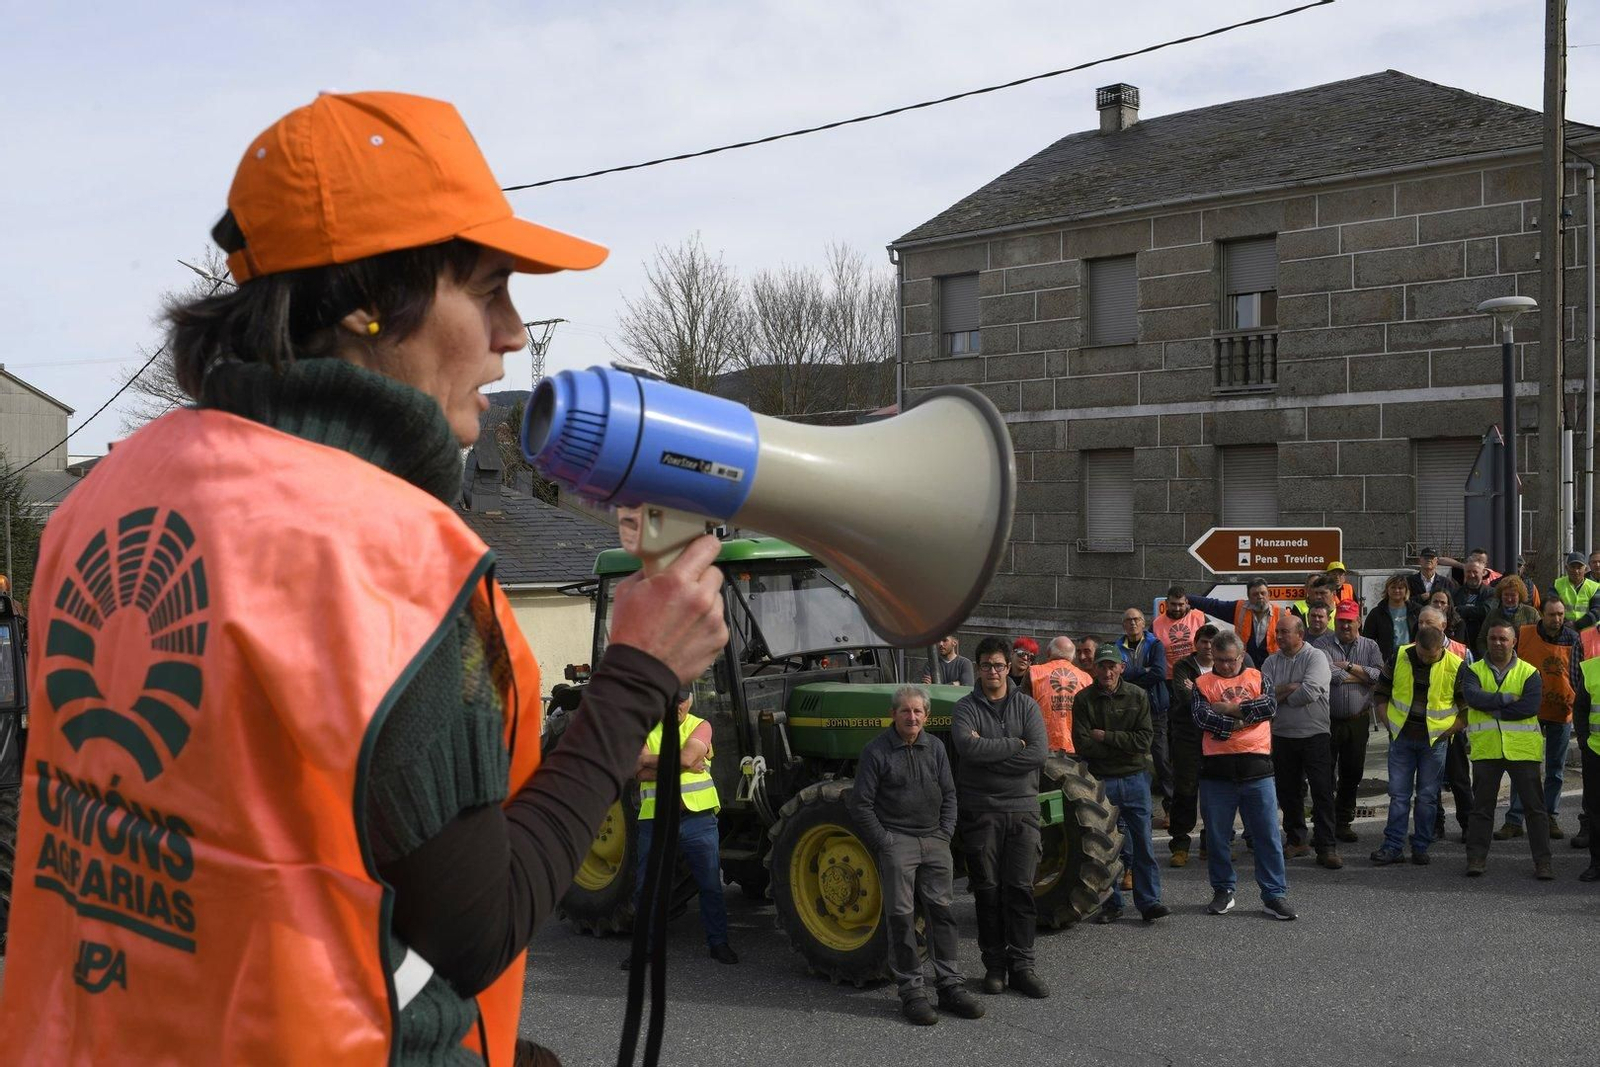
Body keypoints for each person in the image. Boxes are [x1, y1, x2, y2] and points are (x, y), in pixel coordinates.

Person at [0, 91, 731, 1065]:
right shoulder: (387, 559)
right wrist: (639, 670)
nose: (514, 332)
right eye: (487, 288)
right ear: (361, 298)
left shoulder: (103, 499)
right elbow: (474, 929)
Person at [852, 686, 982, 1026]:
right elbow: (861, 804)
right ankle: (911, 990)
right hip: (899, 842)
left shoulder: (935, 747)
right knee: (902, 916)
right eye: (905, 711)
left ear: (926, 716)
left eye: (918, 712)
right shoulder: (876, 751)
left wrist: (945, 833)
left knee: (942, 912)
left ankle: (950, 984)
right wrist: (885, 842)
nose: (912, 717)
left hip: (935, 840)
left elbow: (950, 793)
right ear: (893, 714)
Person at [952, 637, 1049, 999]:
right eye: (986, 665)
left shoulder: (1027, 707)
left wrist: (992, 754)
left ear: (1009, 667)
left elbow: (1038, 754)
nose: (992, 671)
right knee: (988, 892)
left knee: (1021, 890)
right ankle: (994, 966)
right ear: (977, 667)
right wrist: (1014, 745)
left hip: (1022, 809)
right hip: (981, 811)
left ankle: (1022, 966)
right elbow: (967, 748)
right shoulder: (965, 708)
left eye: (999, 665)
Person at [627, 689, 737, 967]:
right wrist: (682, 762)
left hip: (697, 818)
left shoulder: (701, 725)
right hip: (656, 820)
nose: (677, 705)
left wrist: (652, 762)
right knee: (645, 888)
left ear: (690, 699)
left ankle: (718, 943)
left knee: (710, 884)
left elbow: (677, 761)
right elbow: (639, 770)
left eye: (682, 699)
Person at [1190, 632, 1295, 920]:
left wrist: (1230, 711)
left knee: (1268, 836)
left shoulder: (1258, 677)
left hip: (1257, 770)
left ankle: (1274, 895)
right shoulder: (1202, 684)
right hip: (1216, 773)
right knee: (1217, 837)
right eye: (1219, 661)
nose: (1225, 666)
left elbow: (1269, 707)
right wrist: (1244, 721)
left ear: (1241, 655)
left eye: (1230, 660)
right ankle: (1223, 890)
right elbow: (1202, 718)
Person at [1075, 646, 1168, 924]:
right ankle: (1111, 903)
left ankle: (1149, 902)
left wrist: (1106, 737)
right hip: (1101, 782)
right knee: (1104, 849)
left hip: (1136, 779)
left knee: (1143, 846)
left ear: (1122, 668)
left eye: (1112, 666)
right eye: (1102, 666)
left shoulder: (1138, 696)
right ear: (1095, 669)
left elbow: (1143, 742)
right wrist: (1121, 744)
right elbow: (1083, 744)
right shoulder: (1083, 699)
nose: (1107, 671)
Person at [1460, 620, 1551, 878]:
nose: (1497, 643)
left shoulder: (1529, 672)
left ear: (1514, 642)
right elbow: (1472, 698)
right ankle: (1476, 859)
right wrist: (1507, 699)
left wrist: (1492, 708)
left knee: (1535, 810)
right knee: (1481, 809)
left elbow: (1530, 707)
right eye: (1493, 638)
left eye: (1503, 639)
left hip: (1523, 751)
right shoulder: (1474, 670)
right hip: (1487, 750)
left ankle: (1543, 862)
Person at [1369, 625, 1465, 865]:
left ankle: (1421, 846)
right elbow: (1381, 693)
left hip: (1434, 742)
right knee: (1399, 796)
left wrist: (1448, 732)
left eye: (1431, 657)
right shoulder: (1400, 655)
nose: (1426, 660)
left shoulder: (1455, 665)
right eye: (1422, 655)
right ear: (1416, 645)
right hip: (1402, 738)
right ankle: (1393, 847)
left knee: (1427, 796)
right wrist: (1389, 724)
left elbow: (1467, 710)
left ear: (1441, 648)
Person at [1498, 597, 1584, 841]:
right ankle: (1514, 819)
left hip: (1561, 712)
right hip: (1528, 712)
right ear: (1541, 615)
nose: (1556, 619)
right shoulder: (1524, 635)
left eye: (1560, 614)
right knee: (1522, 767)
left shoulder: (1573, 638)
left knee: (1555, 770)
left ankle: (1549, 816)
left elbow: (1579, 676)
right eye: (1551, 614)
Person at [1260, 616, 1339, 869]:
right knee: (1288, 791)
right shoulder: (1271, 661)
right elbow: (1264, 695)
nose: (1279, 636)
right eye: (1277, 632)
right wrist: (1291, 687)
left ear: (1299, 635)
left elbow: (1311, 690)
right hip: (1282, 735)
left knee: (1322, 791)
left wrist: (1284, 694)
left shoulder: (1316, 657)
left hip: (1314, 734)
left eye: (1284, 632)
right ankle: (1296, 840)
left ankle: (1326, 846)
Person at [1316, 601, 1383, 843]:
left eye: (1349, 621)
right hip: (1328, 720)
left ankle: (1343, 821)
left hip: (1358, 720)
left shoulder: (1371, 645)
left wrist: (1349, 666)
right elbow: (1326, 675)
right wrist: (1361, 677)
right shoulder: (1322, 644)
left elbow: (1379, 675)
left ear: (1359, 622)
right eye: (1341, 620)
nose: (1345, 625)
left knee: (1352, 772)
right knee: (1323, 773)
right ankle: (1323, 823)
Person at [1418, 605, 1473, 844]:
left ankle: (1468, 826)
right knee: (1429, 783)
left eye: (1428, 624)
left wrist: (1461, 725)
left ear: (1442, 626)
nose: (1422, 627)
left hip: (1452, 730)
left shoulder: (1462, 651)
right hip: (1423, 730)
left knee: (1459, 779)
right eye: (1420, 623)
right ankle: (1434, 825)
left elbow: (1470, 691)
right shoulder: (1413, 650)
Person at [1168, 623, 1221, 867]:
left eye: (1212, 642)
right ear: (1196, 643)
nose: (1208, 647)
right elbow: (1183, 696)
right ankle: (1179, 846)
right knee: (1185, 791)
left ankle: (1209, 846)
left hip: (1214, 738)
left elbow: (1230, 698)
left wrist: (1198, 688)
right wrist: (1213, 695)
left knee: (1214, 792)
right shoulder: (1183, 666)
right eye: (1203, 642)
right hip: (1187, 737)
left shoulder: (1225, 666)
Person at [1116, 608, 1171, 821]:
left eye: (1136, 620)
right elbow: (1116, 676)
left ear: (1143, 622)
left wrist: (1130, 676)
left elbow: (1159, 672)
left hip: (1156, 710)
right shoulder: (1116, 647)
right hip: (1130, 711)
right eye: (1128, 620)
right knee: (1133, 758)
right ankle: (1137, 808)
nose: (1133, 623)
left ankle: (1169, 808)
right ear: (1124, 625)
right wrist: (1143, 671)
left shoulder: (1155, 644)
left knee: (1161, 758)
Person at [1191, 578, 1284, 668]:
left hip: (1273, 667)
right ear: (1249, 597)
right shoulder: (1239, 609)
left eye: (1263, 593)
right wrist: (1187, 599)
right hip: (1244, 666)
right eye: (1255, 594)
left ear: (1268, 595)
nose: (1260, 597)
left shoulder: (1282, 614)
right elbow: (1212, 605)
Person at [1029, 637, 1089, 756]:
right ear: (1072, 657)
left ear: (1048, 653)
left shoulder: (1033, 672)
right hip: (1076, 747)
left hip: (1041, 746)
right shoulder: (1086, 678)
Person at [1573, 655, 1600, 881]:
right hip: (1596, 752)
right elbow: (1580, 709)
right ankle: (1597, 863)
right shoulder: (1590, 668)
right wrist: (1583, 741)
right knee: (1595, 811)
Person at [1470, 575, 1540, 658]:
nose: (1509, 599)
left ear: (1520, 596)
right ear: (1501, 595)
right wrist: (1488, 657)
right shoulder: (1493, 614)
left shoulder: (1531, 613)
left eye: (1513, 595)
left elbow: (1540, 639)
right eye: (1506, 595)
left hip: (1525, 662)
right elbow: (1481, 639)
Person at [1363, 573, 1420, 663]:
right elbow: (1368, 640)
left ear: (1406, 590)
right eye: (1393, 587)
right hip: (1387, 660)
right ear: (1387, 590)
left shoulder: (1416, 611)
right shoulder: (1377, 613)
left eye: (1400, 588)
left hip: (1413, 658)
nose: (1396, 590)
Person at [1153, 586, 1206, 673]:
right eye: (1173, 604)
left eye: (1180, 605)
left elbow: (1217, 640)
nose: (1177, 609)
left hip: (1197, 674)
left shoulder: (1199, 617)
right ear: (1166, 603)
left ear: (1186, 602)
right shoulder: (1156, 624)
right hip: (1170, 678)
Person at [1549, 552, 1599, 617]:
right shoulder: (1556, 585)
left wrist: (1577, 625)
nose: (1576, 571)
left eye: (1579, 567)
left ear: (1586, 569)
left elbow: (1597, 611)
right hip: (1563, 625)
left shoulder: (1595, 587)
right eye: (1573, 567)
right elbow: (1553, 609)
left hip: (1589, 626)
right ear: (1566, 568)